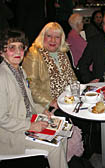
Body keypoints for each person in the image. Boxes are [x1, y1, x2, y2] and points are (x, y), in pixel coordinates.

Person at [0, 29, 68, 168]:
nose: (18, 52)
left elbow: (28, 101)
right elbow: (2, 119)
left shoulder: (20, 70)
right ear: (2, 52)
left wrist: (42, 110)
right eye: (12, 48)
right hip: (10, 135)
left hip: (27, 121)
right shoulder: (2, 77)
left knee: (63, 133)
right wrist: (31, 125)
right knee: (55, 146)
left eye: (21, 47)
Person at [22, 22, 77, 111]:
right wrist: (51, 102)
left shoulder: (62, 53)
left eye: (57, 37)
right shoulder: (33, 55)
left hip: (67, 100)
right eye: (49, 36)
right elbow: (30, 86)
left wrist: (77, 91)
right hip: (46, 106)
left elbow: (72, 76)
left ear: (61, 39)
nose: (53, 40)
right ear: (42, 36)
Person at [67, 13, 87, 81]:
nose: (83, 23)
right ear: (78, 24)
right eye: (82, 21)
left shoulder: (73, 35)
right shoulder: (74, 37)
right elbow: (87, 51)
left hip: (81, 63)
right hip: (82, 67)